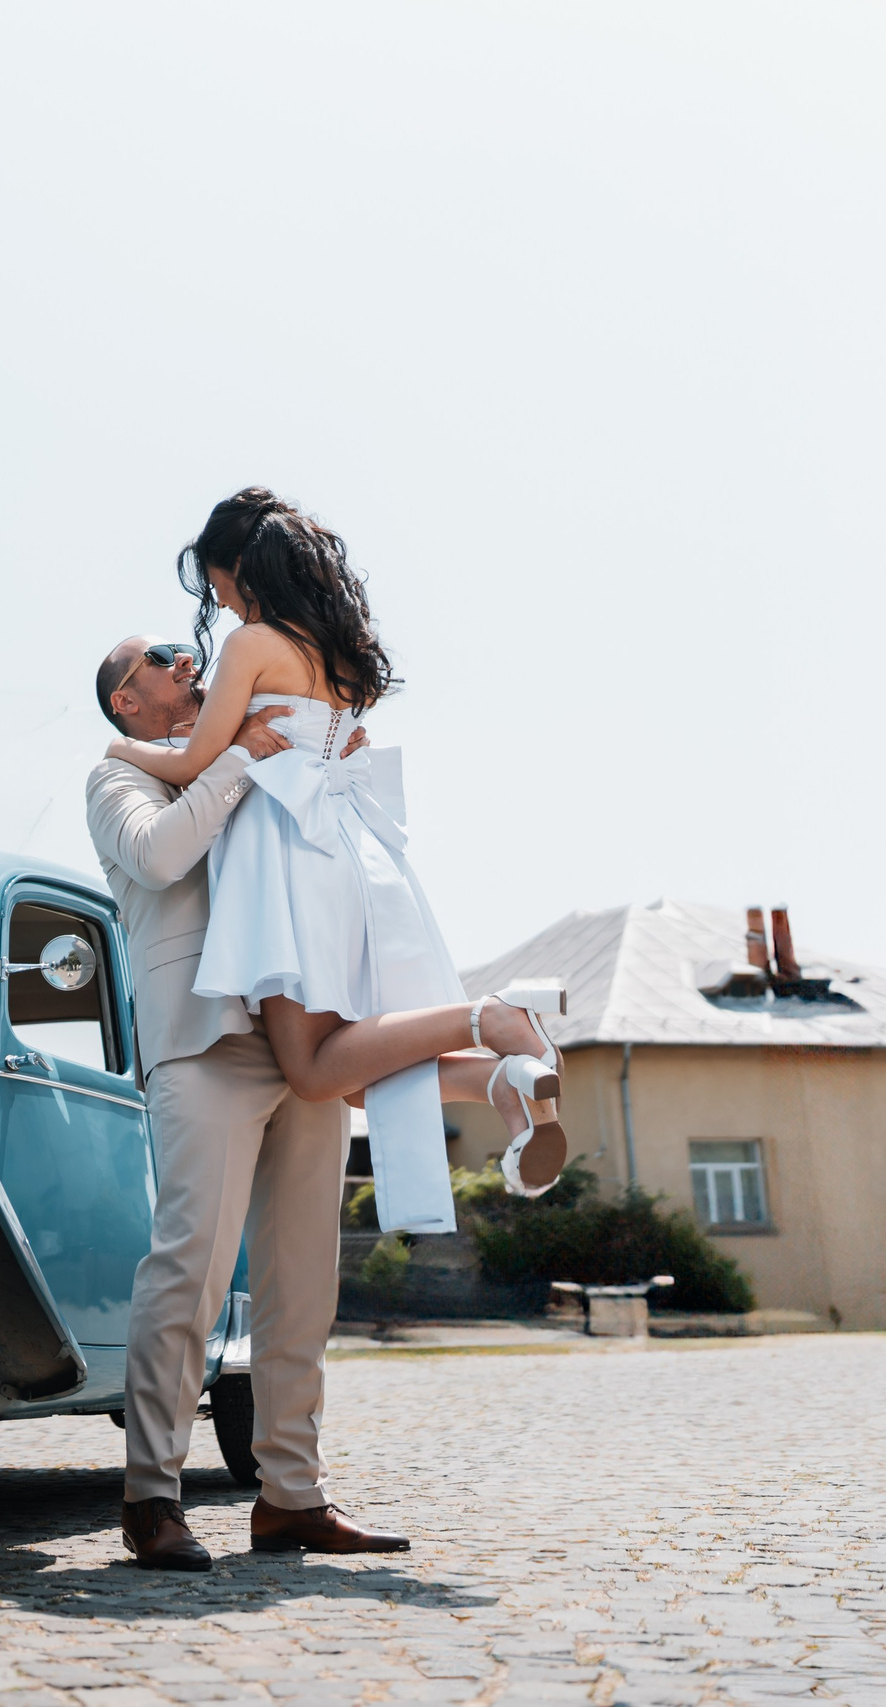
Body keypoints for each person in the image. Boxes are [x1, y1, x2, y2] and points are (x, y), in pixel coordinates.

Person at [88, 612, 562, 1571]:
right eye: (162, 660)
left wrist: (325, 757)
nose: (188, 662)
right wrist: (241, 759)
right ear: (127, 699)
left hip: (300, 1027)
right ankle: (152, 1495)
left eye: (189, 654)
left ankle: (290, 1497)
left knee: (304, 1274)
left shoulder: (256, 748)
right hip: (203, 1040)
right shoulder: (121, 774)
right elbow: (160, 856)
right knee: (192, 1265)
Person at [104, 490, 565, 1219]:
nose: (218, 604)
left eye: (218, 584)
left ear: (243, 568)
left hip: (286, 851)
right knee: (354, 1070)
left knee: (315, 1071)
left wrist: (119, 746)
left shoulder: (253, 645)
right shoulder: (337, 648)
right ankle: (501, 1082)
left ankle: (494, 1018)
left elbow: (195, 762)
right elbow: (330, 737)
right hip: (353, 850)